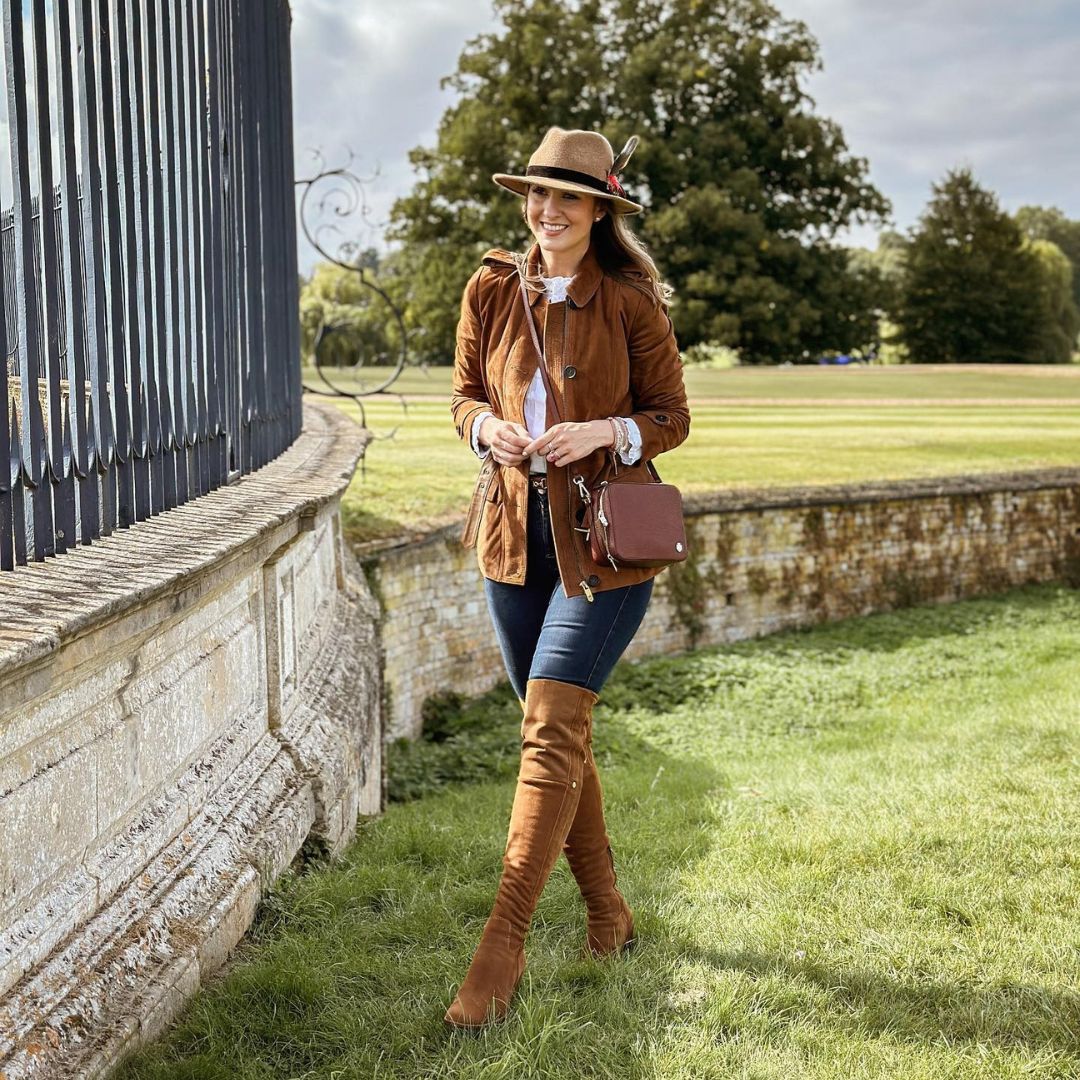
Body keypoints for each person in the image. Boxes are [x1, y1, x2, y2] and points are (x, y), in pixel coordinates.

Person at [446, 126, 690, 1028]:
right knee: (559, 732)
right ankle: (608, 915)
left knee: (551, 728)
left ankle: (500, 946)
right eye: (538, 195)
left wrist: (605, 432)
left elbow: (671, 417)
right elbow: (464, 396)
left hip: (606, 545)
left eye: (568, 198)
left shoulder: (629, 300)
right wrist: (488, 431)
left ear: (598, 210)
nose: (548, 211)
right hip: (513, 539)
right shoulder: (490, 288)